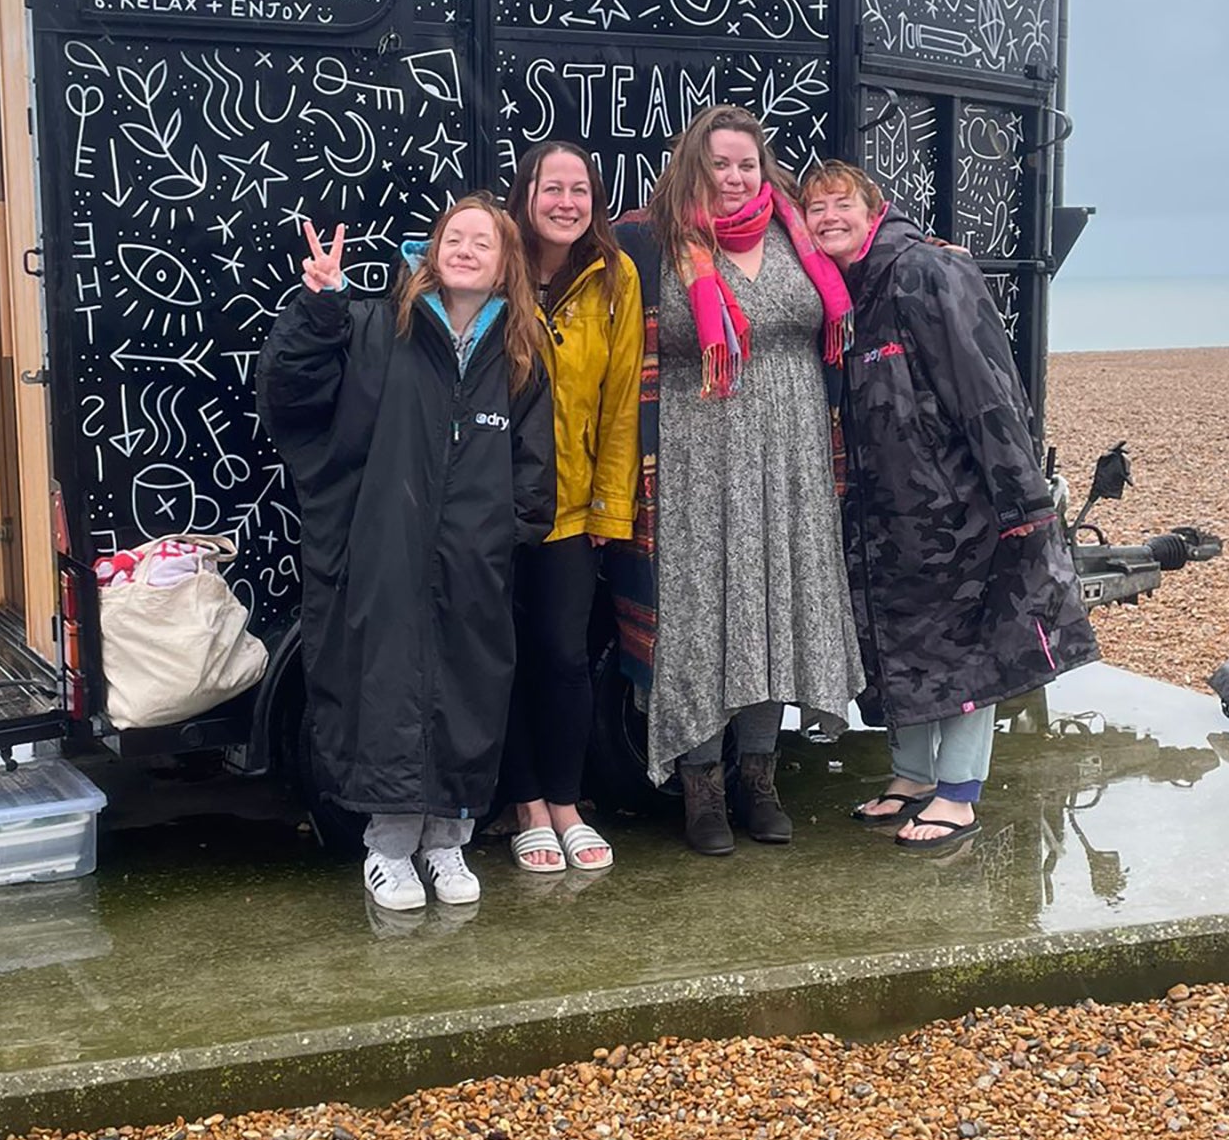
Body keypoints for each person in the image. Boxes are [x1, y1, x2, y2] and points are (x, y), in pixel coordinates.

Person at [257, 196, 555, 909]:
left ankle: (448, 844)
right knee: (388, 694)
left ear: (506, 262)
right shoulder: (373, 327)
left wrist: (501, 533)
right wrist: (319, 308)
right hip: (384, 559)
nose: (466, 249)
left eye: (484, 241)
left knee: (466, 694)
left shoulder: (518, 350)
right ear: (431, 250)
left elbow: (534, 463)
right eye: (455, 237)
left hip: (472, 569)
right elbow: (291, 395)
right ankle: (388, 849)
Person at [799, 160, 1098, 849]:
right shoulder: (848, 291)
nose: (829, 219)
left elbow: (987, 386)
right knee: (900, 638)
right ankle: (911, 776)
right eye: (816, 211)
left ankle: (959, 793)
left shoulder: (930, 272)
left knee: (968, 645)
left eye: (841, 204)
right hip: (883, 509)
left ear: (874, 208)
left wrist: (1022, 499)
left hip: (956, 503)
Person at [611, 105, 866, 855]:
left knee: (774, 609)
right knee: (701, 617)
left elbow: (872, 245)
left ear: (764, 170)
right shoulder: (654, 240)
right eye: (720, 164)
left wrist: (937, 250)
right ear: (696, 165)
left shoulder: (798, 232)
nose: (733, 177)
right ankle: (702, 790)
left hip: (792, 455)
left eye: (746, 164)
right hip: (698, 457)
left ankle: (759, 778)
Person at [499, 141, 643, 874]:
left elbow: (621, 406)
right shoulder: (495, 261)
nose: (565, 202)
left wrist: (608, 512)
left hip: (570, 506)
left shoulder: (615, 276)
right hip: (487, 503)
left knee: (563, 656)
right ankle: (525, 805)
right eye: (551, 187)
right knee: (503, 656)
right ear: (526, 194)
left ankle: (566, 801)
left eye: (579, 189)